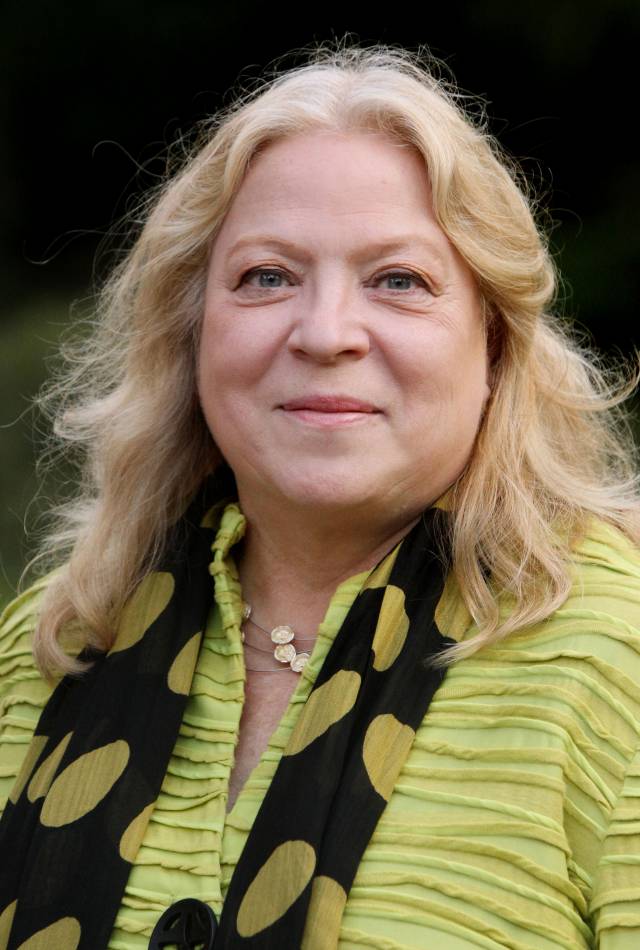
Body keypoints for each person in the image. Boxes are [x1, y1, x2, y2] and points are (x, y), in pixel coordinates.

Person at [1, 39, 640, 950]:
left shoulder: (615, 662)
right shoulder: (52, 644)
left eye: (399, 281)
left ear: (496, 348)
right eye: (267, 277)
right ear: (191, 332)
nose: (326, 332)